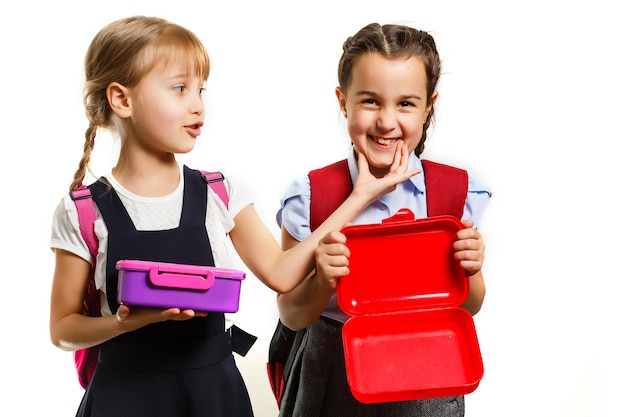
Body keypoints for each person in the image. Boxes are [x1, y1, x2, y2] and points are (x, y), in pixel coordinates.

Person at [48, 16, 421, 417]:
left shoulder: (219, 192)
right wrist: (124, 324)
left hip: (213, 395)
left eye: (200, 90)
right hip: (122, 399)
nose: (198, 105)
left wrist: (359, 196)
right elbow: (63, 330)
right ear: (122, 99)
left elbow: (282, 273)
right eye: (179, 89)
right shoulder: (83, 210)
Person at [276, 22, 491, 417]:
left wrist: (472, 268)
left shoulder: (455, 191)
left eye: (406, 103)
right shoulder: (312, 194)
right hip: (332, 366)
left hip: (426, 368)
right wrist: (322, 281)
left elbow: (471, 304)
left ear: (429, 106)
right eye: (370, 101)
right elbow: (290, 313)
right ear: (343, 102)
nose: (387, 121)